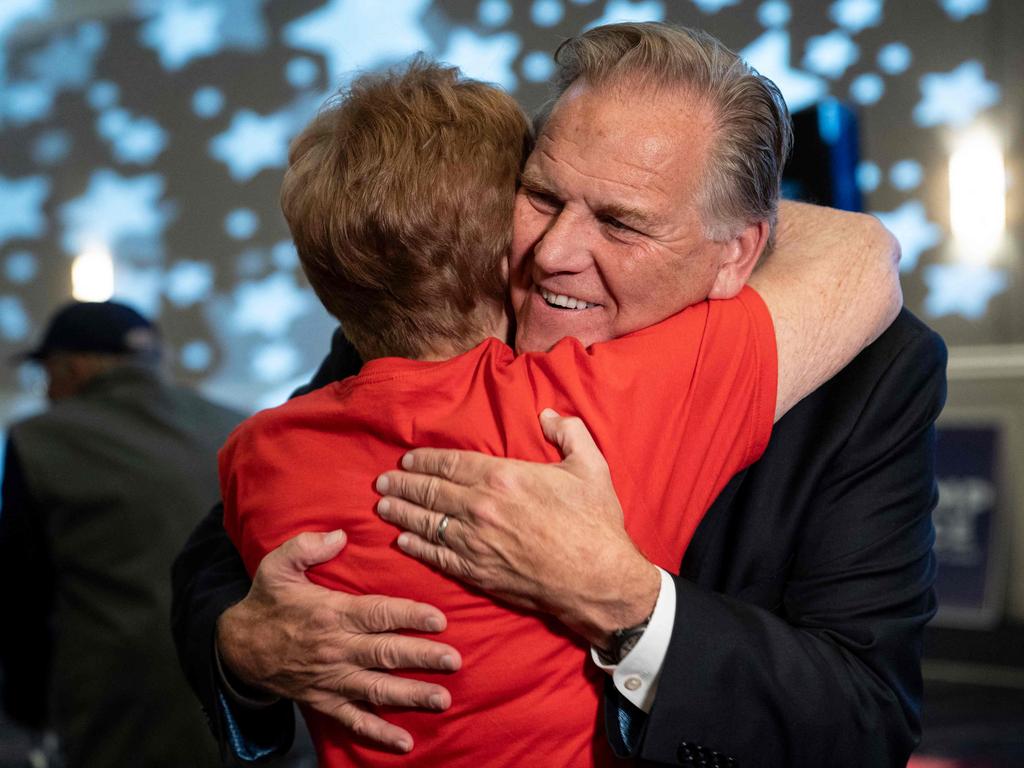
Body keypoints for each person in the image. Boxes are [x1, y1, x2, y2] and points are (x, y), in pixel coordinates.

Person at [173, 23, 946, 768]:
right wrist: (244, 650)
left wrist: (630, 605)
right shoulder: (440, 315)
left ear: (735, 254)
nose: (554, 254)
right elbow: (217, 563)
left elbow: (864, 717)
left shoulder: (869, 377)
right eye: (541, 197)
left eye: (621, 222)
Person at [0, 300, 243, 768]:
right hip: (246, 713)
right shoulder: (237, 425)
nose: (48, 392)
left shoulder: (40, 440)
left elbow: (22, 599)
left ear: (73, 366)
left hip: (120, 717)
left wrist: (26, 712)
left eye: (47, 375)